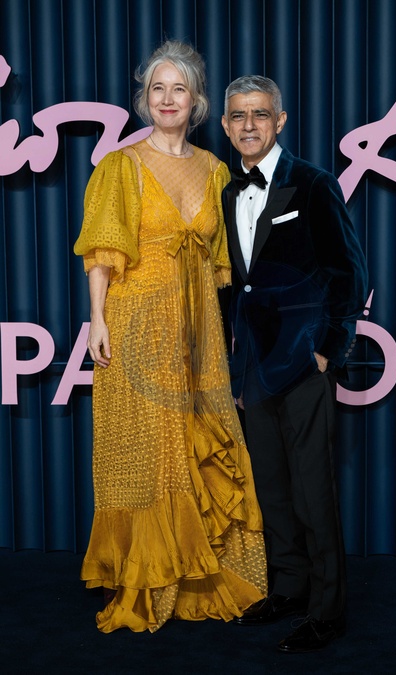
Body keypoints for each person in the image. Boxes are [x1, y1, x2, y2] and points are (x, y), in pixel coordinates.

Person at [73, 42, 267, 634]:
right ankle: (151, 576)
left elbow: (223, 264)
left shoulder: (215, 170)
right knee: (150, 454)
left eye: (178, 88)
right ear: (145, 99)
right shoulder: (121, 166)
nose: (166, 98)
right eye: (156, 88)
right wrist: (97, 320)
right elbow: (101, 253)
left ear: (196, 101)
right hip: (136, 322)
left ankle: (199, 573)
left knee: (198, 444)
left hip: (198, 326)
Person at [221, 75, 368, 653]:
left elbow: (348, 272)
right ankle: (289, 588)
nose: (249, 125)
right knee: (273, 488)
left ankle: (327, 611)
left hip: (305, 362)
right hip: (255, 367)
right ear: (226, 125)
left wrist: (328, 348)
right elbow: (239, 288)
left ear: (279, 121)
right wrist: (237, 368)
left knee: (312, 491)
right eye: (238, 115)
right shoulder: (228, 193)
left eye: (260, 114)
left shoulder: (313, 182)